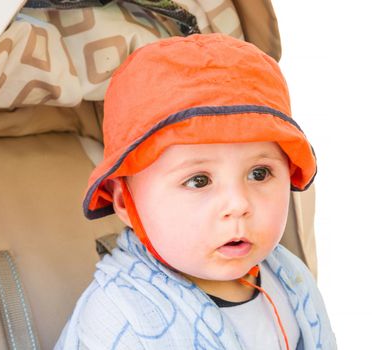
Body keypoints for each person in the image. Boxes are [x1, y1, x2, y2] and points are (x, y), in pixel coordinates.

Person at [55, 33, 336, 350]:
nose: (238, 204)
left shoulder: (290, 281)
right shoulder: (120, 320)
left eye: (259, 173)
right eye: (199, 180)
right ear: (125, 200)